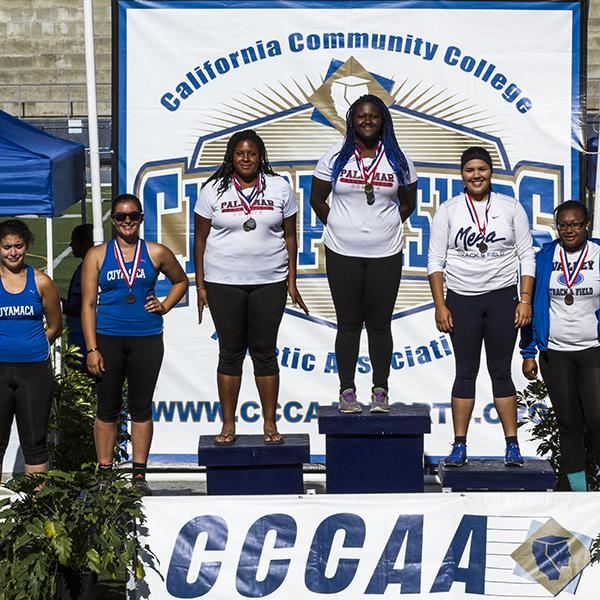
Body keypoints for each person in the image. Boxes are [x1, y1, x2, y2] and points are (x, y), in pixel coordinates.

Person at [194, 129, 307, 446]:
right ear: (231, 157)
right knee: (229, 353)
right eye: (240, 153)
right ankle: (228, 424)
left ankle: (269, 423)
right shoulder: (213, 190)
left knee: (265, 352)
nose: (246, 158)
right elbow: (200, 240)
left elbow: (290, 237)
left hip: (269, 281)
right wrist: (201, 285)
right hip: (223, 282)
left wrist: (292, 280)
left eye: (252, 153)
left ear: (261, 157)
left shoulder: (280, 187)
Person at [427, 146, 535, 467]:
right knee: (465, 373)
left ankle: (512, 446)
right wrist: (440, 304)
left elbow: (526, 255)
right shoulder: (448, 210)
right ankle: (460, 445)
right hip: (462, 300)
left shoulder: (510, 207)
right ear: (462, 174)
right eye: (470, 170)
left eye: (482, 169)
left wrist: (525, 299)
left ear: (491, 172)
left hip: (503, 298)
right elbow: (435, 260)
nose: (477, 175)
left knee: (501, 372)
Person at [309, 94, 418, 413]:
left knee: (381, 324)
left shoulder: (398, 159)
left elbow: (408, 203)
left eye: (374, 116)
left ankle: (380, 390)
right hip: (342, 252)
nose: (367, 121)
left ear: (384, 121)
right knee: (348, 324)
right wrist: (341, 225)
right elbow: (317, 199)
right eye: (361, 116)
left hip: (386, 253)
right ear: (351, 121)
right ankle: (347, 391)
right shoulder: (334, 157)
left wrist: (384, 226)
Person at [81, 193, 188, 494]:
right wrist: (92, 348)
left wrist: (165, 305)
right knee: (108, 407)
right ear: (112, 220)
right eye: (120, 217)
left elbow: (181, 281)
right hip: (109, 337)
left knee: (141, 407)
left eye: (133, 216)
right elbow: (88, 304)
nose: (126, 222)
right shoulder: (98, 255)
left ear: (141, 218)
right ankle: (105, 472)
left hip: (146, 338)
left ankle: (139, 475)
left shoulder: (155, 252)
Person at [522, 200, 600, 490]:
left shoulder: (598, 253)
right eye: (563, 225)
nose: (569, 230)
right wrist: (528, 352)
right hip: (556, 353)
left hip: (593, 349)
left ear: (587, 224)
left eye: (575, 224)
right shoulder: (544, 259)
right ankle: (579, 494)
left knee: (597, 420)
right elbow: (530, 309)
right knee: (569, 425)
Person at [0, 219, 62, 476]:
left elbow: (55, 325)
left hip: (34, 371)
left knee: (35, 443)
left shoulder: (41, 282)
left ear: (26, 247)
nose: (13, 252)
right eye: (6, 247)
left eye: (18, 246)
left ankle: (35, 512)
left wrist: (32, 345)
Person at [62, 223, 94, 362]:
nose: (70, 245)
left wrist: (60, 305)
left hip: (82, 334)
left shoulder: (89, 269)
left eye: (74, 241)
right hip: (78, 331)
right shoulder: (84, 266)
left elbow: (83, 305)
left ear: (86, 243)